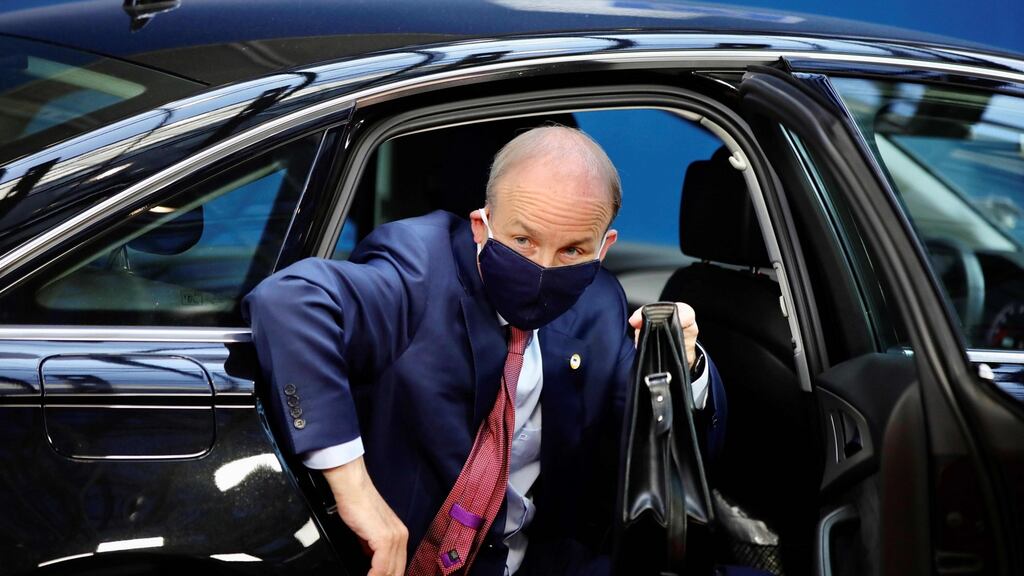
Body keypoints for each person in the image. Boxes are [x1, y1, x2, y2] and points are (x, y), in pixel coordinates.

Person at [243, 126, 725, 576]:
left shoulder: (599, 305)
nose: (543, 268)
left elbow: (649, 443)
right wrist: (358, 496)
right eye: (522, 240)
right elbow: (289, 301)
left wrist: (684, 368)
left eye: (573, 252)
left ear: (604, 248)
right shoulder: (418, 264)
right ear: (481, 225)